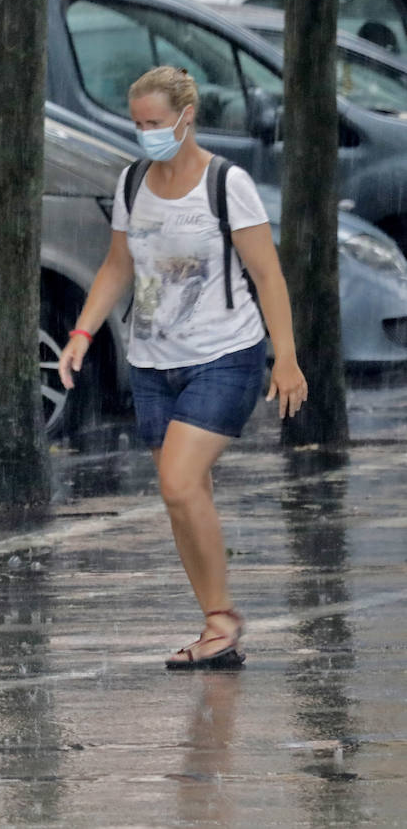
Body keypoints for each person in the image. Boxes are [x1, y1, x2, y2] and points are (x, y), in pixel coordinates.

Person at [58, 66, 308, 670]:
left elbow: (267, 275)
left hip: (225, 356)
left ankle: (223, 619)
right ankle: (215, 624)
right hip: (152, 364)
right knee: (183, 495)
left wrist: (287, 358)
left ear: (185, 117)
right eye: (137, 122)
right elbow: (118, 266)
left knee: (178, 482)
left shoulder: (227, 183)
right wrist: (82, 334)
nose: (145, 133)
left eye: (154, 122)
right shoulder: (132, 182)